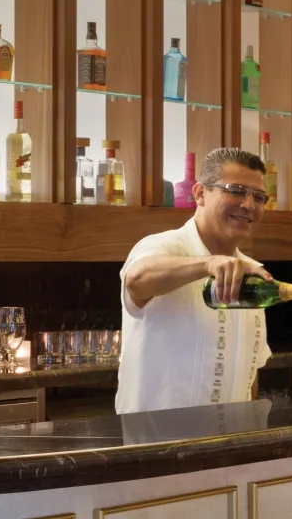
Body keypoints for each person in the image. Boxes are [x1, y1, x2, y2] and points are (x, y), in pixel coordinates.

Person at [116, 147, 276, 413]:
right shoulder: (163, 247)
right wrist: (207, 263)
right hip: (157, 437)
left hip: (234, 435)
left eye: (258, 197)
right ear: (200, 193)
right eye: (236, 191)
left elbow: (249, 373)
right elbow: (137, 279)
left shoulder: (252, 272)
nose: (249, 205)